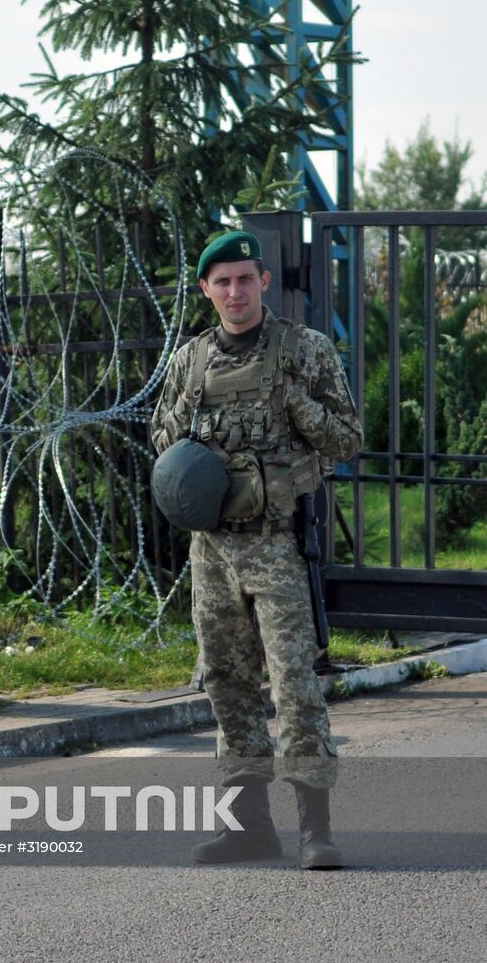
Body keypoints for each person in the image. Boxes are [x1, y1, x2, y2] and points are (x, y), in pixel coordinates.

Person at [149, 230, 362, 870]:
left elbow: (347, 437)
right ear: (206, 290)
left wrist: (293, 399)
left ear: (263, 283)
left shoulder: (305, 350)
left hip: (277, 544)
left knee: (294, 683)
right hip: (212, 549)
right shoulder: (189, 361)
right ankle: (248, 827)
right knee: (226, 682)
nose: (235, 292)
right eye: (223, 282)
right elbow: (161, 437)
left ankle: (314, 830)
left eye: (245, 279)